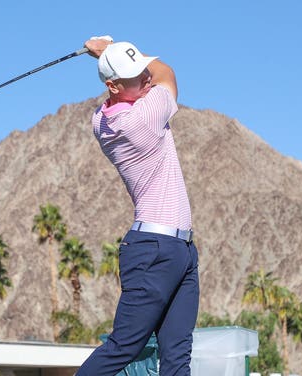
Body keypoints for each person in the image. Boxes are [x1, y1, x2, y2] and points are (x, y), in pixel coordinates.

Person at [76, 37, 200, 376]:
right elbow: (167, 75)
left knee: (177, 351)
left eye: (143, 70)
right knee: (124, 346)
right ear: (113, 85)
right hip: (155, 250)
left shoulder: (100, 119)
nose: (146, 77)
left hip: (179, 249)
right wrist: (110, 46)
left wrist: (111, 58)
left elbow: (144, 81)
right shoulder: (141, 119)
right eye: (136, 76)